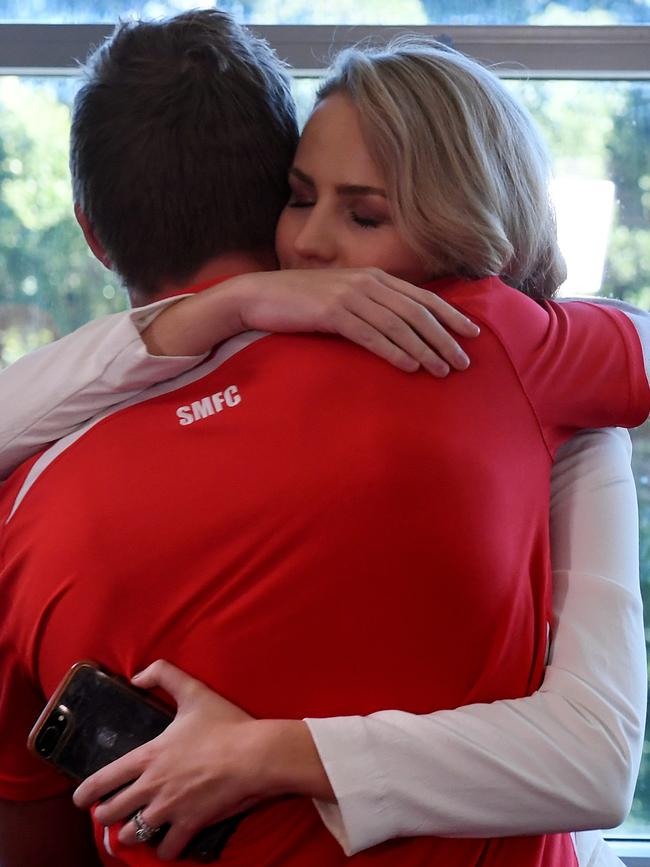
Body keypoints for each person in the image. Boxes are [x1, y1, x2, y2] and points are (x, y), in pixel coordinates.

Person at [0, 13, 647, 867]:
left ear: (88, 230)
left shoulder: (28, 504)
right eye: (302, 199)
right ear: (271, 191)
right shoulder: (496, 348)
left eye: (363, 213)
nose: (310, 242)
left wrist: (266, 753)